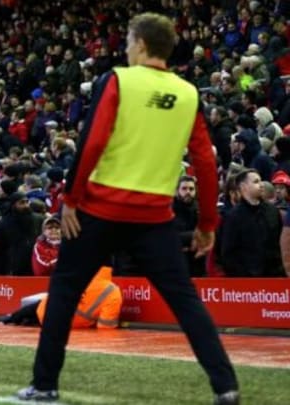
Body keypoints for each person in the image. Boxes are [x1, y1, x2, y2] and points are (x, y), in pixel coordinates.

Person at [17, 13, 239, 405]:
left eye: (128, 41)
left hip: (99, 210)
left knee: (66, 291)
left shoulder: (119, 79)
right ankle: (226, 387)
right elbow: (206, 162)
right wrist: (207, 223)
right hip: (154, 218)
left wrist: (71, 198)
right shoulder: (188, 93)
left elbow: (92, 140)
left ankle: (45, 385)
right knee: (185, 301)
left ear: (139, 43)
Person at [3, 267, 121, 329]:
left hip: (45, 309)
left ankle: (12, 317)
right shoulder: (112, 292)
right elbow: (105, 326)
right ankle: (20, 318)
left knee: (32, 310)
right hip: (63, 325)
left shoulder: (76, 272)